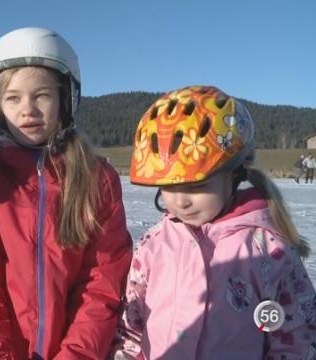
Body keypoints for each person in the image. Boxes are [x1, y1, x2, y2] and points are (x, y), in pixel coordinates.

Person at [0, 27, 133, 359]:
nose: (28, 109)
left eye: (42, 96)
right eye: (13, 97)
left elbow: (102, 284)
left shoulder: (96, 178)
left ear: (67, 99)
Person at [112, 86, 315, 359]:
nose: (181, 201)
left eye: (197, 186)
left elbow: (293, 337)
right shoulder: (155, 245)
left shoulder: (268, 252)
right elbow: (132, 326)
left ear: (233, 175)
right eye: (169, 187)